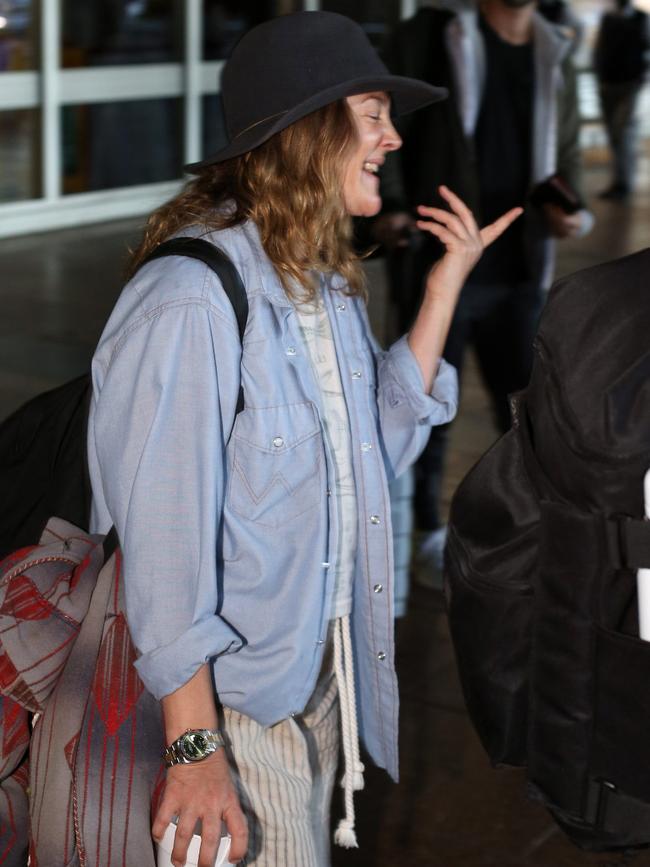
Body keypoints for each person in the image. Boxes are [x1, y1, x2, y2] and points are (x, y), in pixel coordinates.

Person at [87, 12, 521, 867]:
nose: (394, 138)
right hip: (233, 715)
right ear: (306, 129)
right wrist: (194, 751)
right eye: (371, 113)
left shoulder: (319, 278)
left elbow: (375, 451)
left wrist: (444, 289)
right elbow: (163, 550)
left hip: (316, 677)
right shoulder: (191, 299)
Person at [375, 0, 593, 584]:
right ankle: (425, 538)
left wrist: (571, 210)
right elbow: (395, 129)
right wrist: (391, 209)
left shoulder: (556, 51)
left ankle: (529, 530)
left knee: (527, 411)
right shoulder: (432, 38)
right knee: (423, 411)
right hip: (441, 259)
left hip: (521, 266)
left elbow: (565, 149)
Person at [594, 0, 650, 200]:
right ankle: (620, 181)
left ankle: (624, 183)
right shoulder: (608, 18)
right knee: (614, 134)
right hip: (608, 84)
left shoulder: (642, 19)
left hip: (629, 85)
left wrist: (642, 78)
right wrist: (599, 75)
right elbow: (600, 50)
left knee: (623, 132)